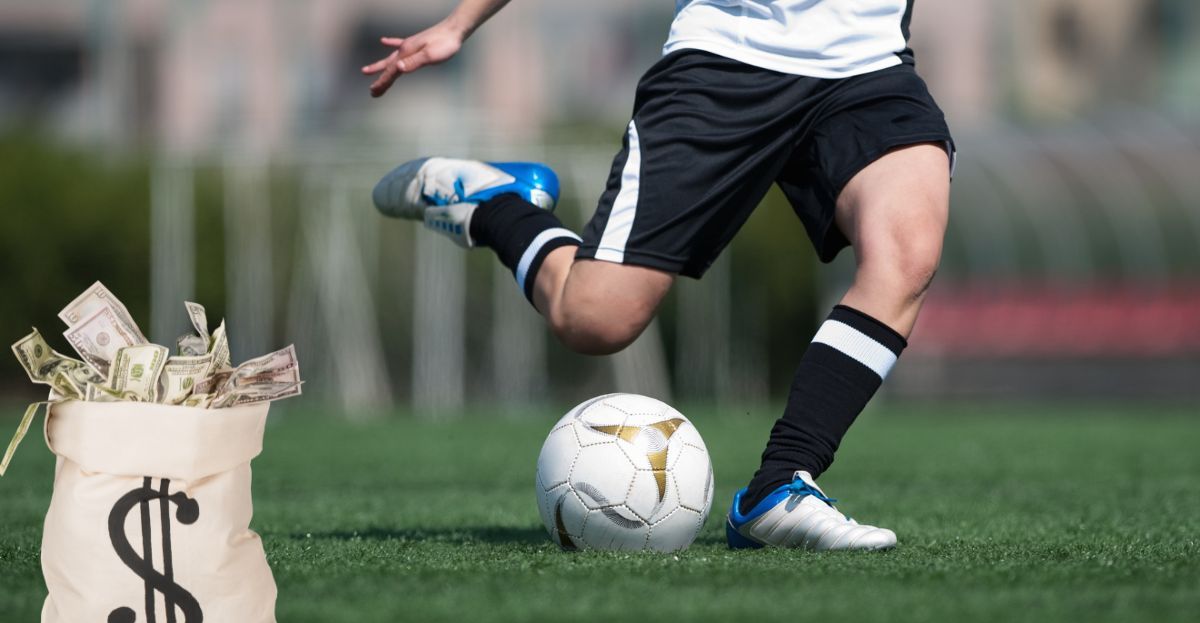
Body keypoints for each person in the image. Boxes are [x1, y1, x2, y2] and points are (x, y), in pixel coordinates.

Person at [363, 0, 954, 551]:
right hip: (726, 61)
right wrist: (459, 24)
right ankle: (494, 205)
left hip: (870, 68)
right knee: (594, 319)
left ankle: (779, 485)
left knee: (908, 255)